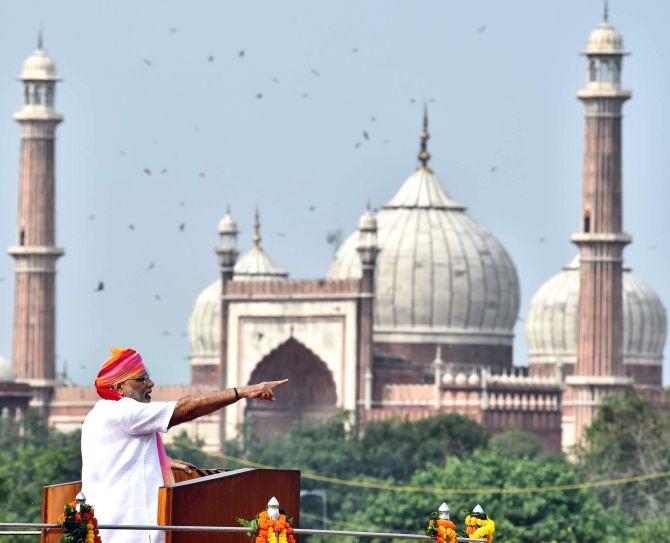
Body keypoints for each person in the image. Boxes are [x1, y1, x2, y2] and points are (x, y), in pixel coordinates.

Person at [81, 347, 287, 543]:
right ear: (119, 387)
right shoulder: (124, 412)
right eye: (141, 379)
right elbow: (185, 410)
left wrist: (162, 462)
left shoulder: (99, 414)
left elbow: (119, 458)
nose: (150, 383)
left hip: (110, 530)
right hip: (129, 533)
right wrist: (242, 392)